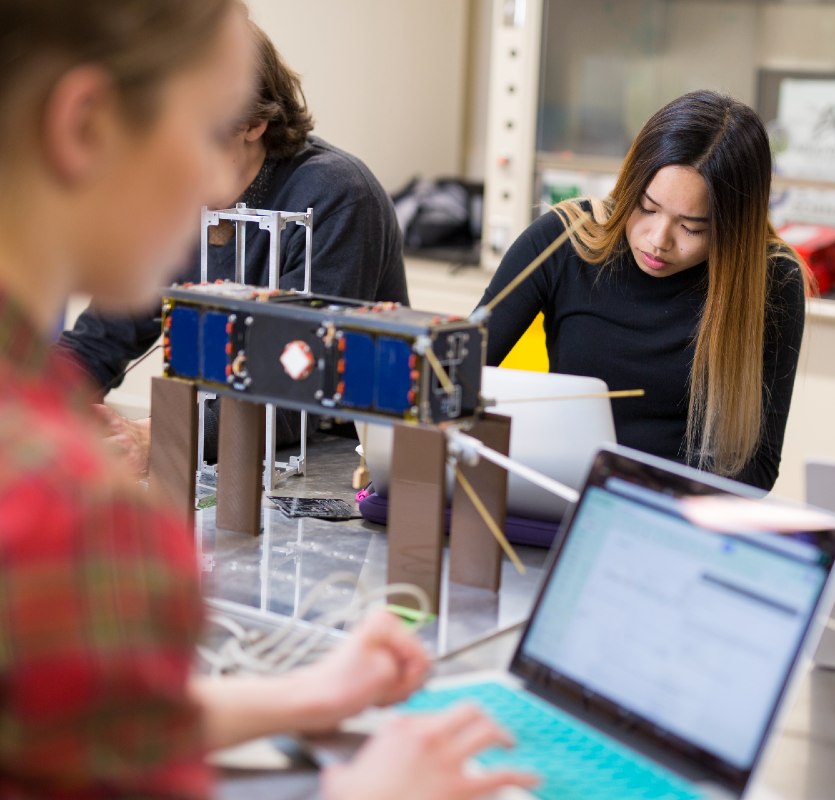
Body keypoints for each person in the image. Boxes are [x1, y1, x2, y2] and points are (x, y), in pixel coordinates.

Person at [0, 1, 534, 797]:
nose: (217, 189)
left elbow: (75, 719)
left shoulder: (332, 192)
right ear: (86, 126)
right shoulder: (65, 512)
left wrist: (304, 695)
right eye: (199, 128)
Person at [57, 18, 409, 472]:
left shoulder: (337, 195)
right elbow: (98, 340)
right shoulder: (176, 192)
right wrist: (35, 407)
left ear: (254, 121)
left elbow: (295, 395)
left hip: (333, 465)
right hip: (224, 451)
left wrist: (155, 435)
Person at [478, 91, 810, 491]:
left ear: (733, 230)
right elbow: (452, 379)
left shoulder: (772, 281)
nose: (658, 240)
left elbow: (756, 468)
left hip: (675, 523)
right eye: (646, 207)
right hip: (559, 496)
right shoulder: (563, 239)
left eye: (692, 228)